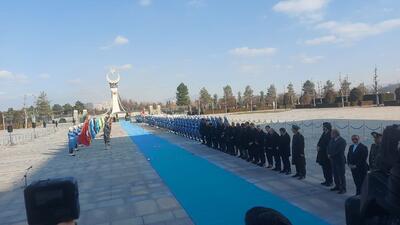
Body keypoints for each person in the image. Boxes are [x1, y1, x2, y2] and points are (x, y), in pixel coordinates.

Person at [327, 129, 347, 194]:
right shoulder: (332, 140)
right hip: (333, 160)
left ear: (335, 134)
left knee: (341, 175)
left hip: (339, 160)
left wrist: (331, 155)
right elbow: (328, 147)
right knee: (335, 174)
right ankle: (337, 186)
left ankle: (343, 188)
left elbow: (339, 151)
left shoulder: (342, 141)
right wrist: (328, 153)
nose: (331, 135)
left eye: (332, 133)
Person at [317, 122, 333, 186]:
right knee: (324, 168)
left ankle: (330, 181)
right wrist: (318, 146)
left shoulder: (330, 134)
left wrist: (321, 148)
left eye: (324, 127)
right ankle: (326, 180)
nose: (323, 128)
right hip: (322, 154)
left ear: (327, 127)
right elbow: (320, 140)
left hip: (327, 154)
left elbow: (329, 144)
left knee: (328, 169)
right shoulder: (324, 133)